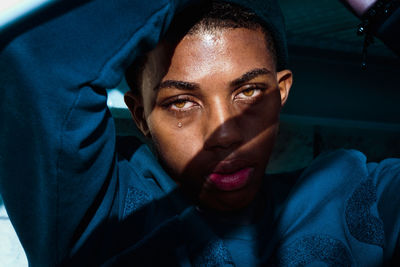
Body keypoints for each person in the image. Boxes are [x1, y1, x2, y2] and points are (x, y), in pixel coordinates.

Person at [0, 0, 399, 266]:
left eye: (249, 92)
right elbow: (38, 66)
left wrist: (382, 8)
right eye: (181, 102)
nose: (224, 135)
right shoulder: (103, 213)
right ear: (140, 117)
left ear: (281, 94)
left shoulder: (355, 192)